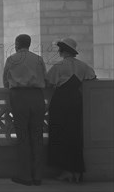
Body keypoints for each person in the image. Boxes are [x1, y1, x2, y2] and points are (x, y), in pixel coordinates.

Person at [46, 37, 96, 183]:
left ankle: (66, 171)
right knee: (74, 136)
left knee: (60, 136)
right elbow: (92, 77)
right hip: (76, 102)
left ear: (63, 51)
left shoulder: (59, 66)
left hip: (60, 103)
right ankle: (76, 170)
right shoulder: (83, 66)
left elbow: (49, 82)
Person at [3, 34, 47, 186]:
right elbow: (45, 78)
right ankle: (38, 176)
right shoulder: (38, 59)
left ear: (16, 44)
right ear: (29, 44)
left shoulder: (11, 59)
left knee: (23, 136)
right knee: (37, 135)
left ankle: (25, 176)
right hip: (37, 97)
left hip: (19, 97)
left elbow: (5, 81)